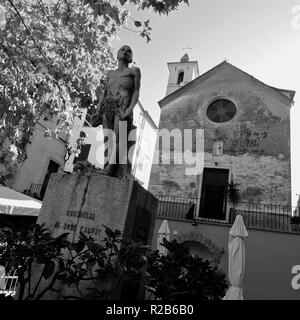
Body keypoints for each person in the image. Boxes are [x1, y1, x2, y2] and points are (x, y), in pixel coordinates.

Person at [92, 45, 141, 178]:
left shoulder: (134, 71)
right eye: (123, 49)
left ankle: (110, 169)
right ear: (117, 54)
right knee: (108, 138)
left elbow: (136, 92)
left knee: (121, 139)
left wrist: (130, 109)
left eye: (129, 51)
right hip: (108, 106)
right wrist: (98, 110)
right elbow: (104, 93)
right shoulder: (110, 73)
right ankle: (106, 165)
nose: (125, 52)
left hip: (123, 105)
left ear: (131, 58)